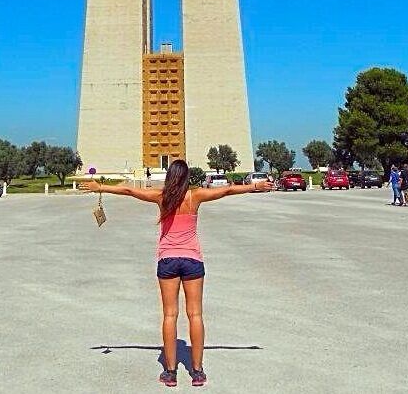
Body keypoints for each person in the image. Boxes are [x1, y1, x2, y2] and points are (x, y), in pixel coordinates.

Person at [81, 159, 273, 387]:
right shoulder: (195, 196)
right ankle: (198, 372)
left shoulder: (161, 197)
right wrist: (254, 187)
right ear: (187, 177)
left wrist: (100, 187)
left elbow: (128, 190)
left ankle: (170, 372)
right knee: (196, 315)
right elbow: (228, 190)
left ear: (170, 176)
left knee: (170, 315)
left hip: (168, 260)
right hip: (192, 260)